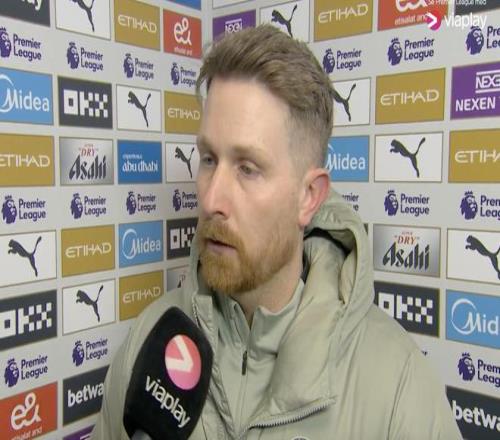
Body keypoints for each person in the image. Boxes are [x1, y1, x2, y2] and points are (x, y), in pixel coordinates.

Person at [92, 25, 461, 439]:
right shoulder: (148, 343)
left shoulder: (399, 389)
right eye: (209, 159)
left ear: (309, 196)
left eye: (248, 168)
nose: (212, 198)